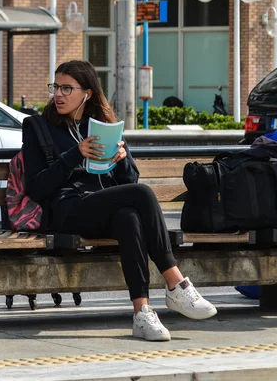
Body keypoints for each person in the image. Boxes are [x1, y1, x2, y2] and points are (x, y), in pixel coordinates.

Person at [22, 60, 217, 341]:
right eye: (56, 87)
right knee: (144, 194)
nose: (59, 94)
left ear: (86, 93)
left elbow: (129, 182)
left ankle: (142, 313)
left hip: (100, 209)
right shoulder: (38, 127)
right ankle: (176, 283)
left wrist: (123, 161)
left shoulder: (103, 127)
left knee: (129, 217)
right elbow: (36, 188)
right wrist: (75, 154)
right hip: (66, 211)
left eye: (67, 88)